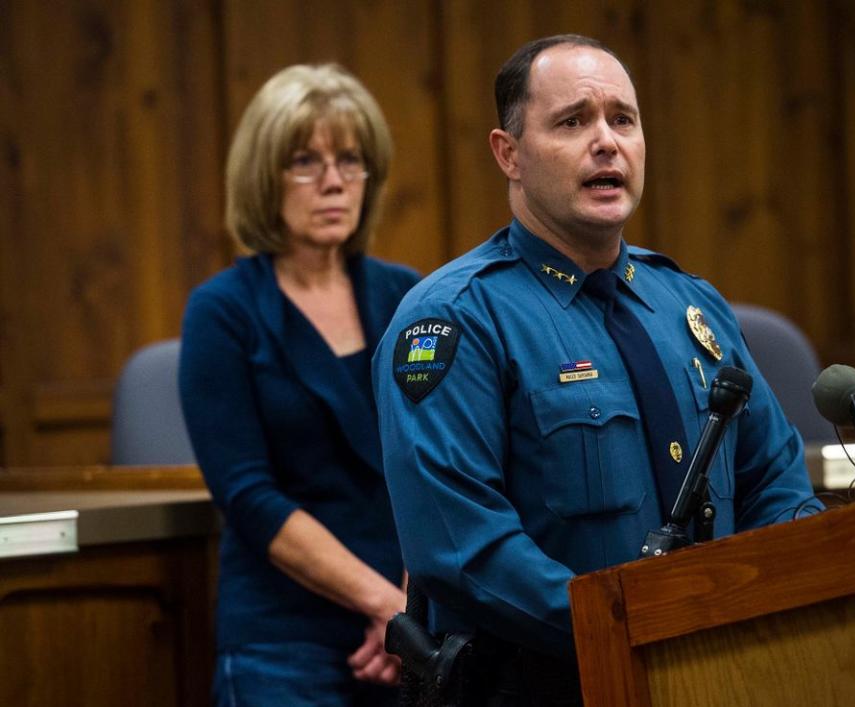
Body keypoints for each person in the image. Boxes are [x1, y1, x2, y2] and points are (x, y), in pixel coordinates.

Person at [372, 35, 820, 705]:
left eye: (623, 119)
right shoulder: (453, 319)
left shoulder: (691, 305)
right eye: (573, 120)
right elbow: (465, 550)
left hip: (722, 674)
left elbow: (775, 487)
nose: (606, 141)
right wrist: (635, 629)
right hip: (547, 683)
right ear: (509, 154)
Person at [179, 63, 418, 706]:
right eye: (306, 162)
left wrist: (412, 608)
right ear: (266, 178)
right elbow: (249, 496)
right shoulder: (223, 311)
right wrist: (386, 605)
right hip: (280, 642)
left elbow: (438, 469)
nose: (335, 181)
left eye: (351, 160)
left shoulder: (410, 299)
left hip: (411, 630)